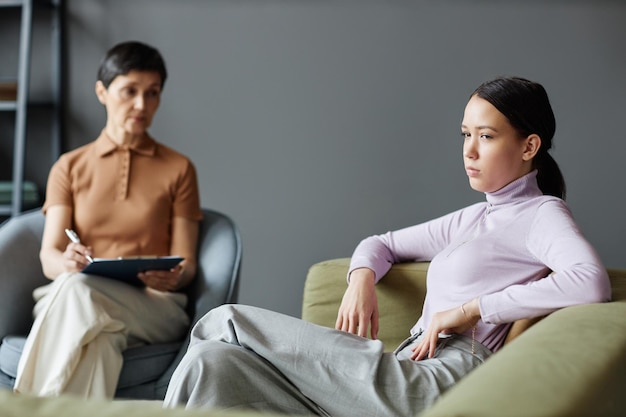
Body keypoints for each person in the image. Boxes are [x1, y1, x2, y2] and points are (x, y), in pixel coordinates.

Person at [163, 77, 611, 416]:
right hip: (401, 368)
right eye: (465, 134)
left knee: (225, 320)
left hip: (439, 379)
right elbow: (380, 244)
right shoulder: (474, 218)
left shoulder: (542, 215)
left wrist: (472, 309)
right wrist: (360, 281)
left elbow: (591, 284)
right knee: (212, 362)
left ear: (529, 145)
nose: (469, 151)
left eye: (487, 136)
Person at [13, 41, 203, 399]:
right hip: (77, 296)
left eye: (152, 94)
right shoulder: (69, 167)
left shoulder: (179, 169)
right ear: (102, 92)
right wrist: (67, 261)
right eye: (129, 91)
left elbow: (188, 261)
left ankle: (23, 407)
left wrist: (177, 275)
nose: (141, 105)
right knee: (98, 339)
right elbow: (50, 256)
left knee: (76, 291)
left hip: (153, 306)